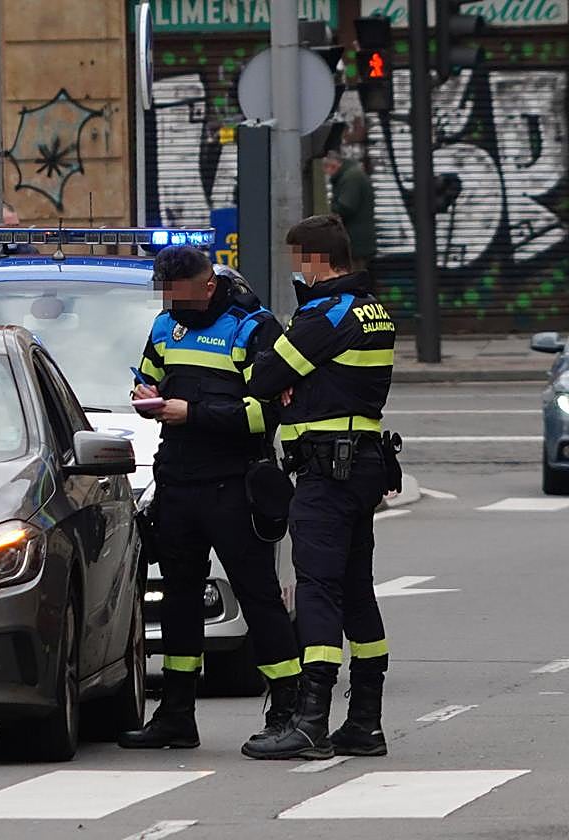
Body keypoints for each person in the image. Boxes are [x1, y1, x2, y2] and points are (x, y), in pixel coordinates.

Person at [118, 247, 302, 753]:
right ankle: (176, 715)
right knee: (178, 599)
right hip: (177, 481)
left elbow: (268, 415)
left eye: (180, 295)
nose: (171, 305)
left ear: (207, 285)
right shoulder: (164, 324)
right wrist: (145, 393)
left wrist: (191, 413)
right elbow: (149, 373)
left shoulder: (254, 328)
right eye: (165, 296)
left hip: (234, 483)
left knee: (258, 596)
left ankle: (287, 709)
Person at [243, 214, 397, 761]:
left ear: (313, 259)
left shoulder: (325, 312)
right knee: (356, 589)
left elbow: (262, 379)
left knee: (317, 589)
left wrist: (289, 379)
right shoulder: (372, 309)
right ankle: (365, 722)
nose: (294, 271)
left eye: (296, 261)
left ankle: (310, 720)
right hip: (364, 464)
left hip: (327, 472)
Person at [323, 151, 376, 273]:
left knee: (352, 277)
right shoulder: (351, 175)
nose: (327, 174)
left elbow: (346, 207)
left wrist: (332, 209)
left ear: (332, 166)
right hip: (357, 242)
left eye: (326, 169)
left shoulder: (350, 178)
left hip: (354, 243)